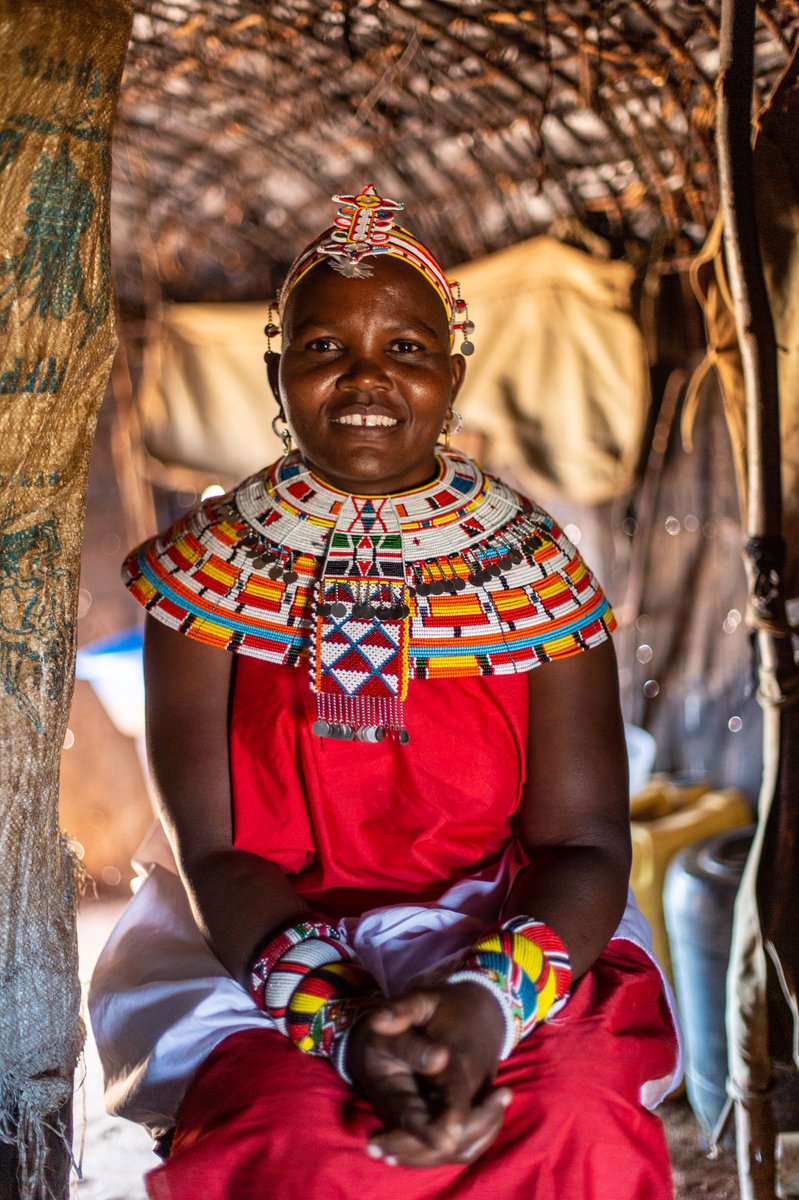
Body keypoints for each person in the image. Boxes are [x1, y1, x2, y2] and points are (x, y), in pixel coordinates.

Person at [90, 185, 682, 1200]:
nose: (367, 378)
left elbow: (584, 845)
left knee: (572, 1116)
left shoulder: (536, 573)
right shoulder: (205, 576)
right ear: (279, 374)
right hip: (262, 943)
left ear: (452, 377)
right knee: (295, 1136)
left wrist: (487, 1004)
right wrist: (342, 1019)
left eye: (405, 349)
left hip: (502, 934)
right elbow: (215, 850)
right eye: (325, 349)